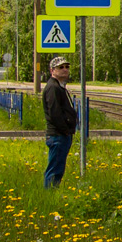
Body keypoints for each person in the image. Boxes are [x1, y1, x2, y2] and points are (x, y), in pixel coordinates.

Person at [42, 56, 78, 188]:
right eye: (60, 67)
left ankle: (52, 191)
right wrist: (65, 130)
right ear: (52, 70)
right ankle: (50, 194)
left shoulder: (59, 87)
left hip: (61, 135)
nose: (65, 70)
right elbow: (54, 113)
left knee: (58, 168)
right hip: (58, 135)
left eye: (67, 67)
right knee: (54, 169)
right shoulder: (53, 88)